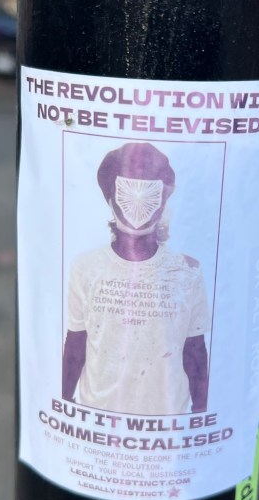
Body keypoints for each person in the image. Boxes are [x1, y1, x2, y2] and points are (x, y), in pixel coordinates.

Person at [62, 141, 210, 415]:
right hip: (99, 413)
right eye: (129, 192)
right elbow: (76, 341)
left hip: (166, 417)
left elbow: (194, 348)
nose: (139, 204)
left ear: (163, 201)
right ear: (111, 198)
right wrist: (65, 403)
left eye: (150, 193)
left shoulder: (187, 271)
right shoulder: (85, 267)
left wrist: (200, 411)